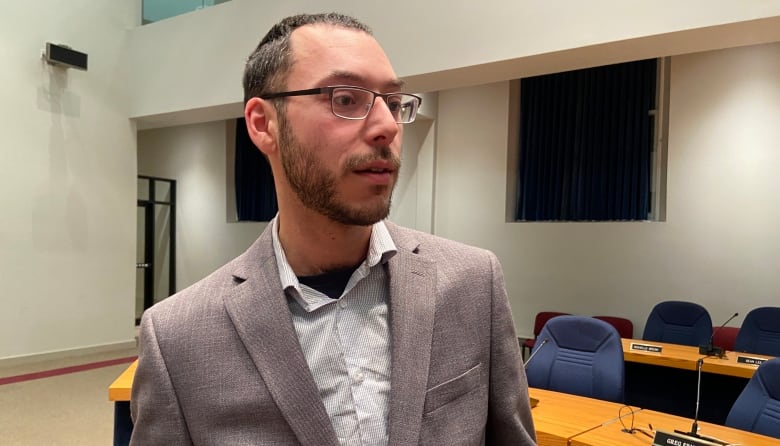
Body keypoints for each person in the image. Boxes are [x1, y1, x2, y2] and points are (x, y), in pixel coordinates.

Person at [130, 12, 536, 446]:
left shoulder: (472, 283)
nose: (386, 127)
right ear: (263, 124)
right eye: (345, 99)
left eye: (393, 103)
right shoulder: (178, 338)